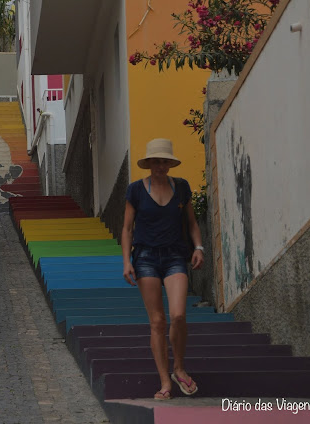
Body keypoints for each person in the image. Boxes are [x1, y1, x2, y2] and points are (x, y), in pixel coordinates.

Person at [121, 138, 204, 400]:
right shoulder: (135, 190)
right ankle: (164, 381)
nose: (160, 165)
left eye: (164, 161)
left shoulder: (181, 187)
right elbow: (127, 228)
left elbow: (191, 222)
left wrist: (199, 247)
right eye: (156, 161)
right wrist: (126, 261)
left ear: (170, 163)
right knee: (157, 321)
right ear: (148, 164)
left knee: (178, 315)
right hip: (145, 258)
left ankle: (179, 367)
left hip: (175, 257)